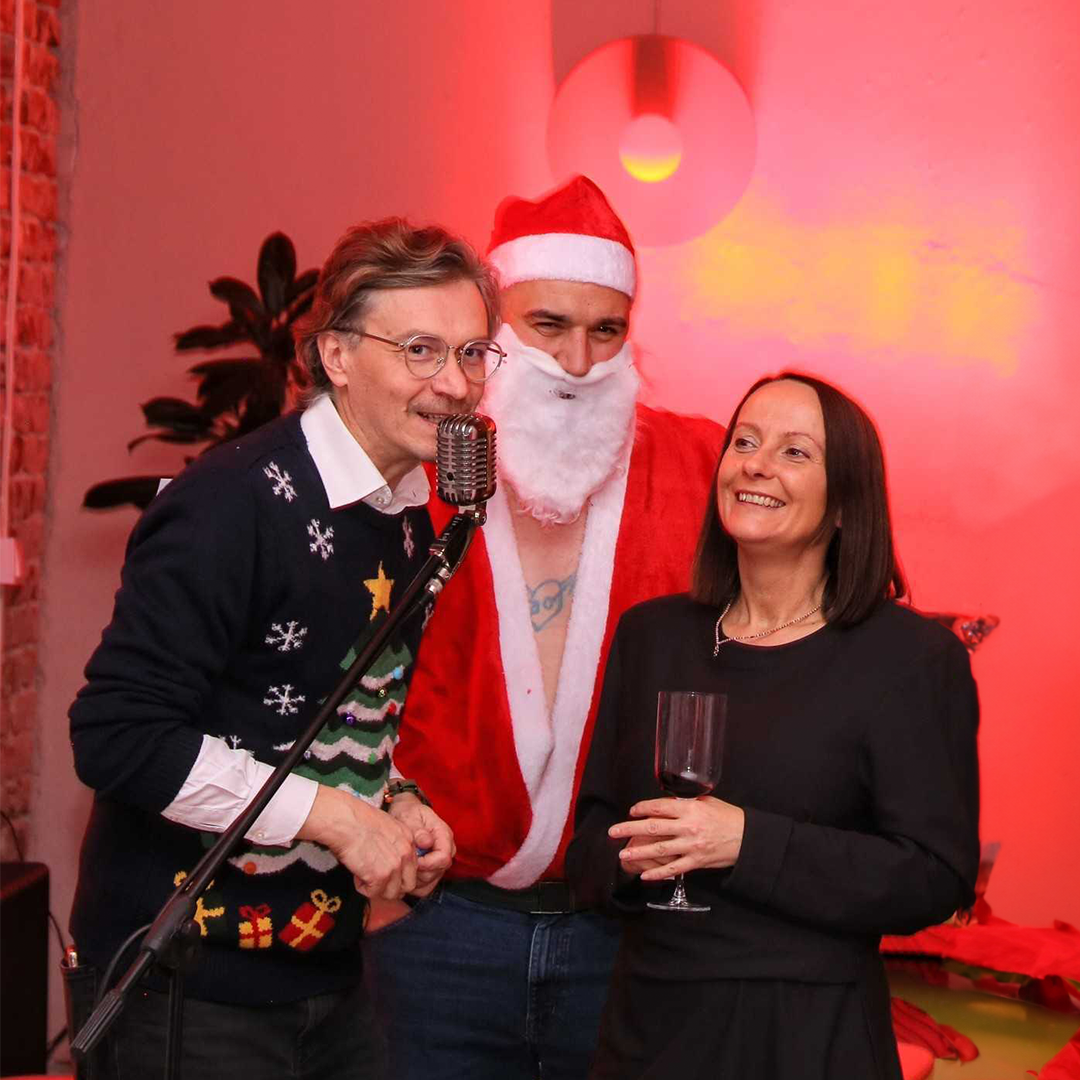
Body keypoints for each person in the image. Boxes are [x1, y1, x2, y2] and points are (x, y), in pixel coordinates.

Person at [67, 218, 503, 1080]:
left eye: (474, 352)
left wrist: (398, 800)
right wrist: (340, 818)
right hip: (187, 987)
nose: (456, 384)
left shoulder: (412, 513)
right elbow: (116, 735)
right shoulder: (231, 502)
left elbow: (332, 705)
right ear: (336, 356)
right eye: (421, 350)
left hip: (325, 974)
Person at [364, 176, 725, 1079]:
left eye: (607, 331)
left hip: (624, 934)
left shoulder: (699, 465)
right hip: (439, 924)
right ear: (495, 329)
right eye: (548, 326)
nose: (577, 362)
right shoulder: (424, 462)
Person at [567, 373, 981, 1080]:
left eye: (796, 453)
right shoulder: (653, 635)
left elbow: (934, 876)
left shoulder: (910, 659)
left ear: (848, 503)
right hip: (651, 1026)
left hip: (809, 1035)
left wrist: (745, 843)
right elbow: (591, 842)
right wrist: (629, 862)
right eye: (745, 442)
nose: (756, 463)